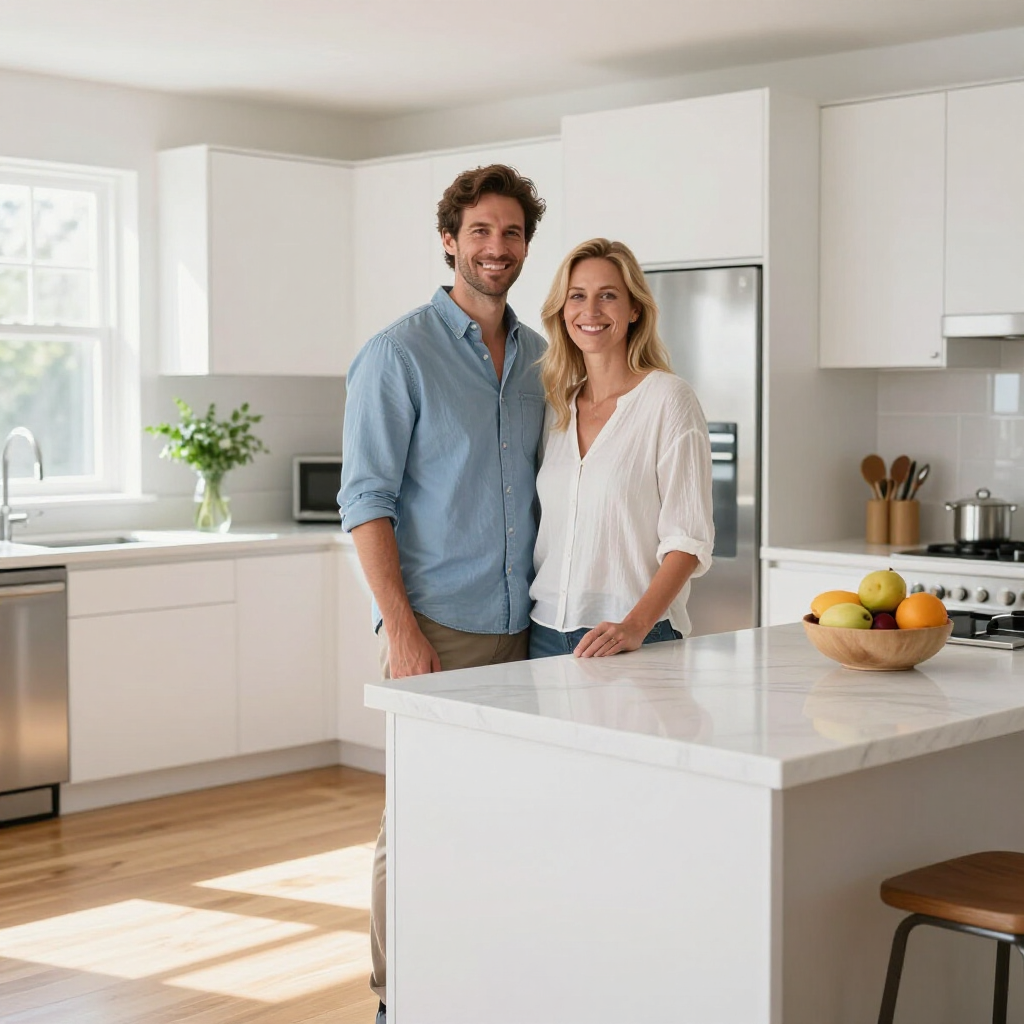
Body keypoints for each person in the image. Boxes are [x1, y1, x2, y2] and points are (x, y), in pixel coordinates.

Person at [338, 164, 547, 1023]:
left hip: (524, 627)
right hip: (439, 630)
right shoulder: (398, 353)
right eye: (482, 232)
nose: (496, 249)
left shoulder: (542, 355)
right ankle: (401, 999)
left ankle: (478, 979)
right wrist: (402, 630)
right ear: (450, 240)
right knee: (417, 822)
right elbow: (366, 500)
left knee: (500, 818)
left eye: (512, 233)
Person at [528, 237, 715, 659]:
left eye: (607, 296)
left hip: (634, 637)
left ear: (634, 310)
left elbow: (688, 539)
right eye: (577, 296)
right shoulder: (557, 408)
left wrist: (635, 625)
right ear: (563, 310)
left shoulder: (668, 399)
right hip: (544, 632)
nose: (590, 311)